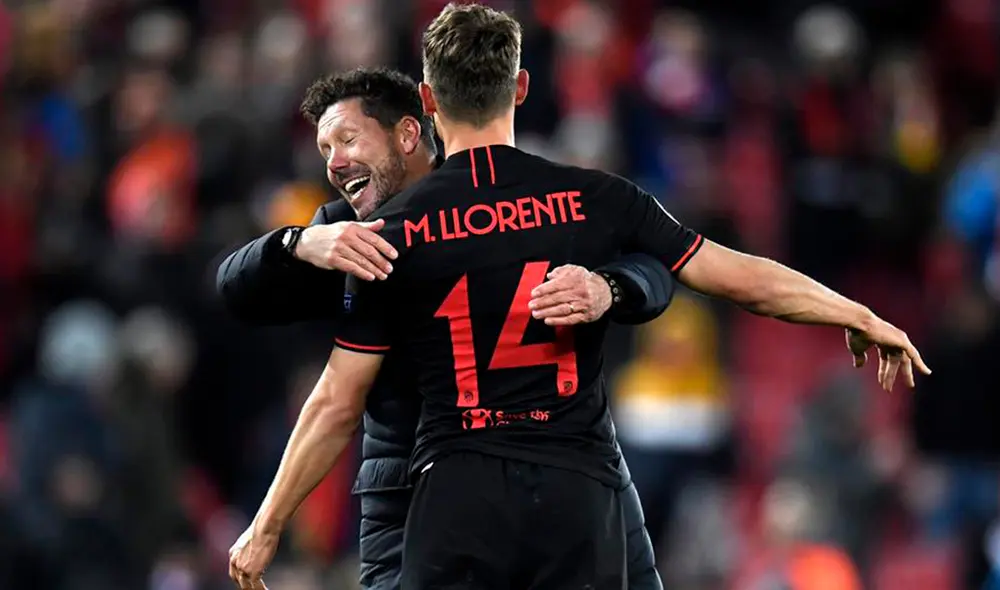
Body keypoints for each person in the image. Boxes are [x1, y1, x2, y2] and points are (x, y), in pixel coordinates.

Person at [228, 4, 931, 589]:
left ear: (430, 102)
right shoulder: (594, 199)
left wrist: (265, 528)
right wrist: (859, 312)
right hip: (576, 488)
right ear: (523, 88)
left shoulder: (389, 233)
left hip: (455, 488)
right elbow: (738, 276)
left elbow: (336, 400)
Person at [218, 68, 673, 590]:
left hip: (562, 468)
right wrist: (297, 244)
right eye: (324, 150)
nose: (335, 163)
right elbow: (236, 291)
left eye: (346, 139)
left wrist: (609, 286)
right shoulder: (350, 235)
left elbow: (657, 266)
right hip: (409, 492)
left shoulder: (511, 202)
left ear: (409, 133)